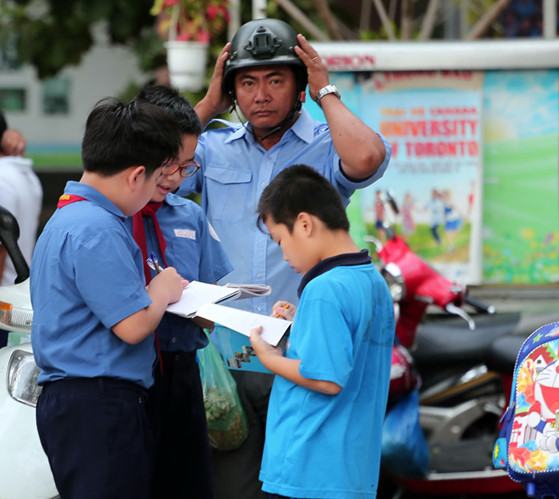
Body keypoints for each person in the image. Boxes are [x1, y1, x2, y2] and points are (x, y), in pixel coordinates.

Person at [181, 17, 391, 498]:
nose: (261, 95)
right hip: (226, 359)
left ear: (298, 87)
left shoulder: (325, 141)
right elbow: (156, 158)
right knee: (232, 486)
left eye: (276, 80)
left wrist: (328, 93)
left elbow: (366, 160)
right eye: (247, 82)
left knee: (294, 482)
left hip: (301, 352)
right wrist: (210, 101)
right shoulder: (211, 148)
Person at [30, 98, 187, 499]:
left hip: (79, 403)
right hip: (98, 404)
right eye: (155, 183)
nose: (155, 193)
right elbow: (133, 325)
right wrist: (162, 289)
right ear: (137, 176)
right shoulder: (98, 227)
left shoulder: (68, 217)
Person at [249, 165, 394, 498]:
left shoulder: (323, 289)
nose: (283, 255)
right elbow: (350, 352)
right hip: (351, 470)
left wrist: (268, 357)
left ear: (304, 223)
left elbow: (326, 378)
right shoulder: (371, 281)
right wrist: (302, 324)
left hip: (308, 468)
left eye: (281, 241)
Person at [130, 85, 233, 499]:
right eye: (169, 164)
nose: (175, 178)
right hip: (127, 374)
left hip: (182, 371)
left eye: (187, 167)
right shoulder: (107, 220)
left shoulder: (188, 214)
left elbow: (212, 290)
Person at [0, 112, 42, 348]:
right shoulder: (25, 174)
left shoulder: (2, 178)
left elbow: (1, 245)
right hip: (17, 294)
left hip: (5, 298)